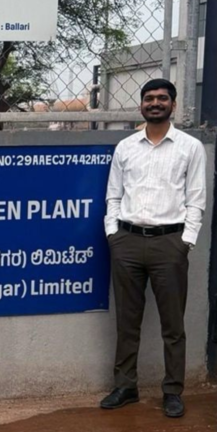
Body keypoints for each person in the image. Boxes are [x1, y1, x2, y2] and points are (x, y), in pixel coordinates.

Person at [101, 78, 206, 418]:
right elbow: (113, 195)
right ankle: (125, 385)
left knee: (172, 324)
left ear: (173, 105)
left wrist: (185, 242)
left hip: (169, 244)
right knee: (127, 321)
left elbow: (196, 199)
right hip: (127, 243)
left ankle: (172, 390)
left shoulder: (190, 147)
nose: (155, 103)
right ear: (141, 105)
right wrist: (113, 235)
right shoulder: (126, 147)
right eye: (149, 98)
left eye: (162, 98)